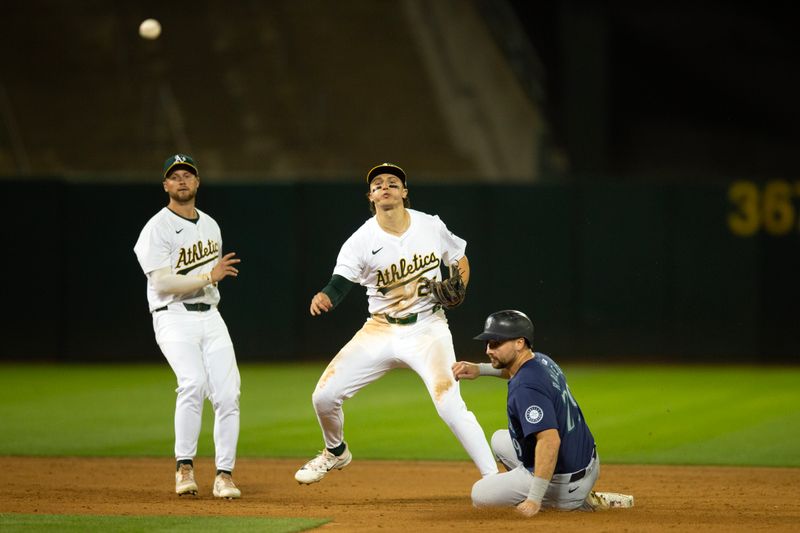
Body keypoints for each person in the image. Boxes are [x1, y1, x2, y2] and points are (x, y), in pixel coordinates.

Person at [294, 162, 499, 484]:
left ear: (404, 192)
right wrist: (326, 295)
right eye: (378, 184)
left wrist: (460, 282)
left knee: (449, 404)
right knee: (323, 397)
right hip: (380, 329)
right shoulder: (361, 239)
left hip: (428, 327)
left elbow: (458, 257)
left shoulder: (430, 225)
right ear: (371, 196)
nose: (385, 186)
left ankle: (492, 477)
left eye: (392, 182)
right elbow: (341, 281)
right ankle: (335, 451)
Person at [133, 154, 243, 499]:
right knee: (193, 382)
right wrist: (208, 276)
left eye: (188, 175)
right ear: (166, 185)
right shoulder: (157, 228)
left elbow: (208, 280)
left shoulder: (211, 225)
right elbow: (163, 283)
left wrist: (208, 280)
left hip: (210, 315)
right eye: (175, 176)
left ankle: (224, 474)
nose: (182, 181)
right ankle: (184, 467)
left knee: (228, 394)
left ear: (197, 183)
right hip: (173, 315)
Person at [452, 310, 634, 516]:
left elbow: (550, 441)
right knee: (499, 440)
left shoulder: (525, 388)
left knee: (480, 495)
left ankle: (563, 501)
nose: (488, 350)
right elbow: (512, 369)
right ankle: (576, 494)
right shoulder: (540, 360)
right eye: (487, 344)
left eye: (495, 344)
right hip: (588, 463)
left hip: (566, 483)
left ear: (519, 343)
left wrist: (534, 499)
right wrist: (479, 369)